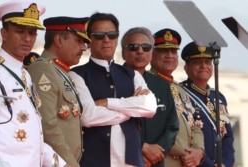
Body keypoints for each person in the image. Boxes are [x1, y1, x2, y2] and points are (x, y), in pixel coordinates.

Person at [70, 12, 157, 167]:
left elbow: (149, 107)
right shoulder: (77, 74)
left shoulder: (132, 74)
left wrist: (107, 102)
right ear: (89, 40)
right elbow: (88, 116)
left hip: (131, 160)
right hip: (94, 159)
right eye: (99, 36)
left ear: (117, 39)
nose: (106, 40)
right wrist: (130, 110)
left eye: (112, 35)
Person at [0, 1, 67, 167]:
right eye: (19, 32)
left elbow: (33, 136)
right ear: (4, 33)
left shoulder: (25, 75)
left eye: (32, 33)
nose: (27, 39)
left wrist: (60, 164)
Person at [26, 16, 91, 167]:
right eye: (78, 41)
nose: (83, 48)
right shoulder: (43, 69)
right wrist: (70, 163)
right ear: (59, 40)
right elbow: (47, 125)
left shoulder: (60, 71)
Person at [120, 27, 179, 167]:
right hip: (124, 159)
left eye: (146, 47)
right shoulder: (112, 81)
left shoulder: (161, 85)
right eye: (133, 47)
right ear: (123, 52)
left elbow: (172, 125)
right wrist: (141, 148)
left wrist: (157, 154)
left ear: (151, 53)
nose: (140, 51)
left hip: (156, 162)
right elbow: (111, 123)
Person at [150, 28, 205, 167]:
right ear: (151, 54)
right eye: (163, 51)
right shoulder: (146, 84)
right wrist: (186, 153)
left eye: (173, 51)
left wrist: (199, 151)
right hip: (163, 161)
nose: (170, 55)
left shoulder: (180, 89)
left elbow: (195, 125)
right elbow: (153, 131)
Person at [180, 41, 235, 167]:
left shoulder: (218, 97)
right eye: (197, 62)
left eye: (207, 62)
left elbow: (228, 137)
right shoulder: (179, 93)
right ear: (186, 68)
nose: (203, 66)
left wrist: (225, 163)